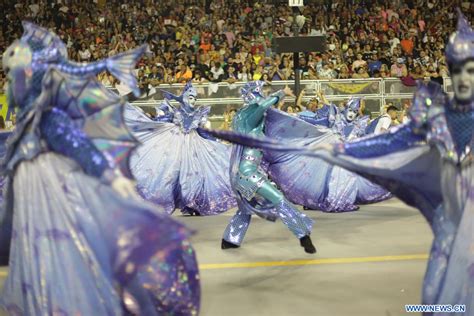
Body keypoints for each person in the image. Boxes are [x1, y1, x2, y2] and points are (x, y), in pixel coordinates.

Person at [0, 22, 200, 315]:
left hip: (56, 203)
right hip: (40, 204)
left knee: (91, 261)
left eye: (10, 75)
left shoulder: (46, 118)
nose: (7, 83)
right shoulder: (31, 121)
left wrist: (109, 177)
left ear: (28, 74)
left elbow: (77, 145)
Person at [221, 81, 316, 254]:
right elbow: (263, 106)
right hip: (247, 173)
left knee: (244, 210)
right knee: (279, 199)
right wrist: (281, 93)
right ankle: (303, 236)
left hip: (245, 172)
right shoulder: (249, 120)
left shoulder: (249, 125)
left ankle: (229, 240)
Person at [124, 81, 236, 216]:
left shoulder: (200, 113)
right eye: (190, 97)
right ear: (183, 97)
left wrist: (215, 142)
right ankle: (164, 200)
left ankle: (191, 203)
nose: (193, 101)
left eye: (195, 98)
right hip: (174, 143)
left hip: (194, 146)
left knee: (193, 175)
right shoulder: (173, 110)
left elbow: (203, 132)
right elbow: (161, 122)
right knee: (169, 174)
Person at [263, 97, 391, 212]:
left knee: (345, 177)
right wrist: (293, 115)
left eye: (355, 112)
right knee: (317, 179)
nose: (352, 114)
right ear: (346, 109)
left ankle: (339, 200)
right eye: (350, 110)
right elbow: (314, 121)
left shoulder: (358, 125)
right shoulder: (335, 118)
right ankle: (321, 201)